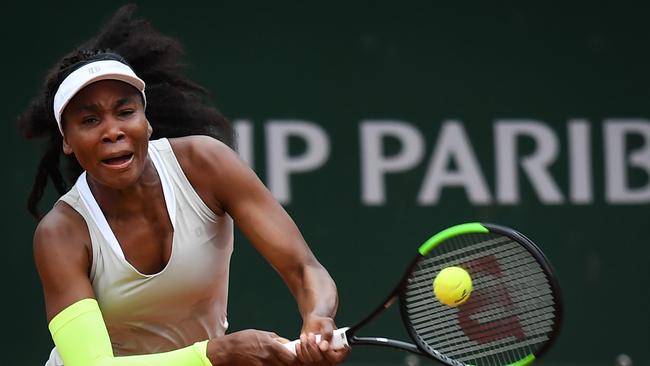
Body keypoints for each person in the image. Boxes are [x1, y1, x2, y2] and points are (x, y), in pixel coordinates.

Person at [18, 5, 349, 366]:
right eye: (90, 119)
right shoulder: (61, 234)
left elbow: (304, 269)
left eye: (126, 112)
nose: (112, 131)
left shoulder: (206, 165)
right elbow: (92, 364)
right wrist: (216, 353)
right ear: (67, 139)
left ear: (146, 123)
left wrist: (318, 317)